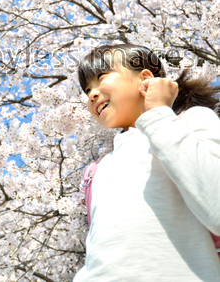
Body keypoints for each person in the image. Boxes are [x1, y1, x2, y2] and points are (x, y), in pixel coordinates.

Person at [73, 43, 220, 281]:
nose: (92, 94)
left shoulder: (190, 122)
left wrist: (159, 114)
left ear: (145, 78)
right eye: (87, 89)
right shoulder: (98, 170)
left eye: (101, 78)